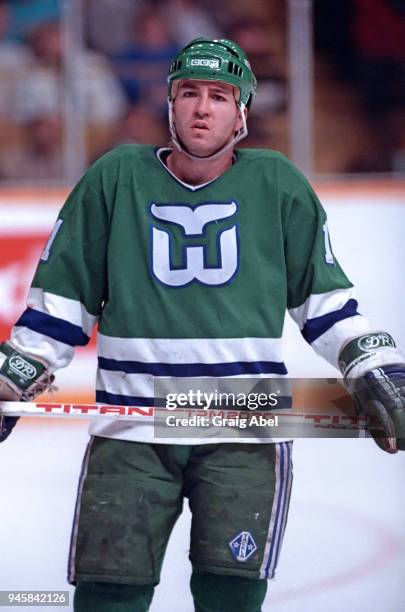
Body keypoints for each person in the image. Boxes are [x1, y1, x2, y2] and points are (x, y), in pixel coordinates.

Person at [0, 38, 404, 612]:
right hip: (133, 431)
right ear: (170, 103)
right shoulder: (115, 177)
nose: (202, 107)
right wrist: (14, 372)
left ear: (241, 112)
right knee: (107, 597)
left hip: (244, 433)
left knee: (231, 597)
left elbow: (326, 305)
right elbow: (61, 304)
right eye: (189, 93)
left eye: (219, 95)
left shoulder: (278, 184)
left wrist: (374, 362)